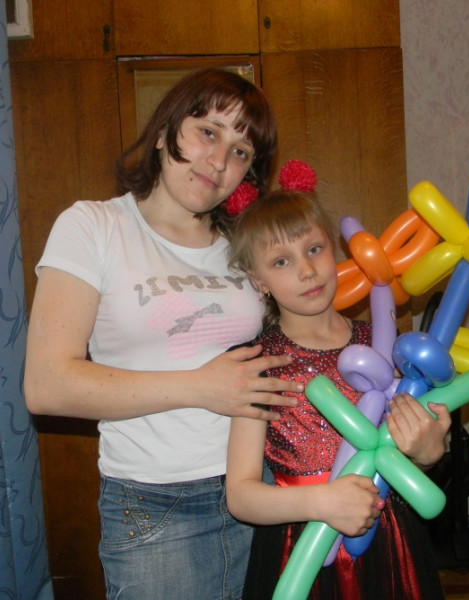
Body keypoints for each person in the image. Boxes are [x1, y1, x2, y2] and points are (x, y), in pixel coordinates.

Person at [24, 68, 304, 600]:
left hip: (264, 487)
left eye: (241, 151)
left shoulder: (246, 246)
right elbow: (47, 385)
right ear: (163, 131)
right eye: (208, 132)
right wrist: (200, 387)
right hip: (155, 507)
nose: (219, 161)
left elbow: (306, 337)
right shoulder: (93, 227)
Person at [226, 170, 451, 599]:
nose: (307, 271)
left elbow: (406, 457)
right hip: (301, 546)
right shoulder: (258, 364)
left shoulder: (386, 345)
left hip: (389, 540)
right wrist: (324, 502)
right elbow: (240, 496)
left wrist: (428, 454)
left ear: (335, 249)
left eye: (314, 249)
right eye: (281, 261)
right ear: (258, 281)